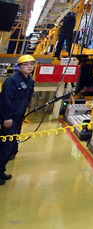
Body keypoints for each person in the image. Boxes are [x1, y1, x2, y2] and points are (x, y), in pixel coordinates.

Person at [0, 55, 36, 184]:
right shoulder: (12, 81)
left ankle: (1, 171)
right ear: (19, 66)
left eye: (32, 64)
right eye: (26, 64)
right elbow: (5, 100)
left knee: (11, 147)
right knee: (5, 146)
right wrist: (7, 117)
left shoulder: (30, 81)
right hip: (10, 118)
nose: (30, 66)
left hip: (19, 118)